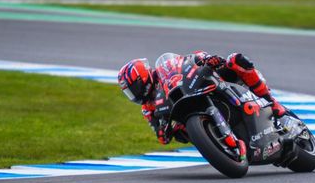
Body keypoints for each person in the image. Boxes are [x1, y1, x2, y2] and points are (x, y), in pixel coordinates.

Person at [117, 51, 286, 146]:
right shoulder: (148, 108)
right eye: (130, 93)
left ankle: (273, 102)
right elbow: (162, 138)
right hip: (188, 114)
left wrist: (206, 59)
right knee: (181, 133)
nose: (135, 94)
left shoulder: (165, 70)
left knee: (236, 60)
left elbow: (189, 59)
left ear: (143, 78)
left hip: (201, 86)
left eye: (134, 89)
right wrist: (166, 129)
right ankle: (218, 141)